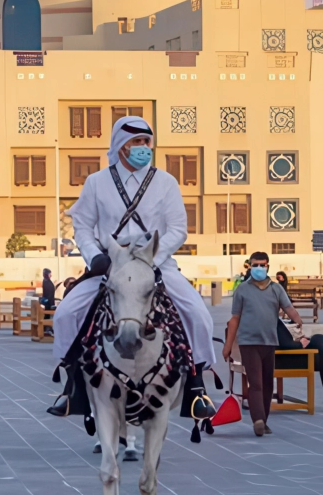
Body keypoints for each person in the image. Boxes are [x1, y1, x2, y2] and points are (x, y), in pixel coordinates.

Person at [50, 114, 214, 402]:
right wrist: (93, 257)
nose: (143, 147)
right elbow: (83, 227)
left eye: (146, 141)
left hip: (156, 265)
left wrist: (152, 259)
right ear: (121, 145)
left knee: (198, 315)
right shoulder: (96, 182)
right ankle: (73, 385)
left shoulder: (166, 182)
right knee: (66, 314)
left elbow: (178, 230)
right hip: (109, 266)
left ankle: (196, 386)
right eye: (136, 141)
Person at [224, 251, 304, 435]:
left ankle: (264, 420)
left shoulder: (276, 289)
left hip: (269, 342)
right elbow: (235, 318)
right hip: (248, 342)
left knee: (268, 383)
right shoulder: (242, 290)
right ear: (250, 266)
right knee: (256, 382)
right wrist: (228, 346)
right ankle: (257, 420)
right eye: (255, 265)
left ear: (268, 266)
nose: (259, 268)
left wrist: (298, 320)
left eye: (262, 264)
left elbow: (288, 307)